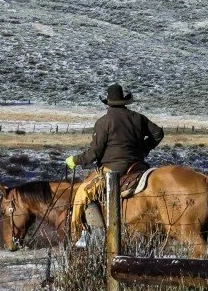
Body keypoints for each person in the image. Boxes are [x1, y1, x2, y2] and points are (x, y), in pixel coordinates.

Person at [67, 84, 164, 244]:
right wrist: (143, 149)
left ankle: (77, 236)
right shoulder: (138, 117)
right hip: (138, 166)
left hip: (112, 169)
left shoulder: (104, 122)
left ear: (108, 103)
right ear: (124, 102)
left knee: (82, 193)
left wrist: (75, 160)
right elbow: (158, 133)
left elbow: (94, 153)